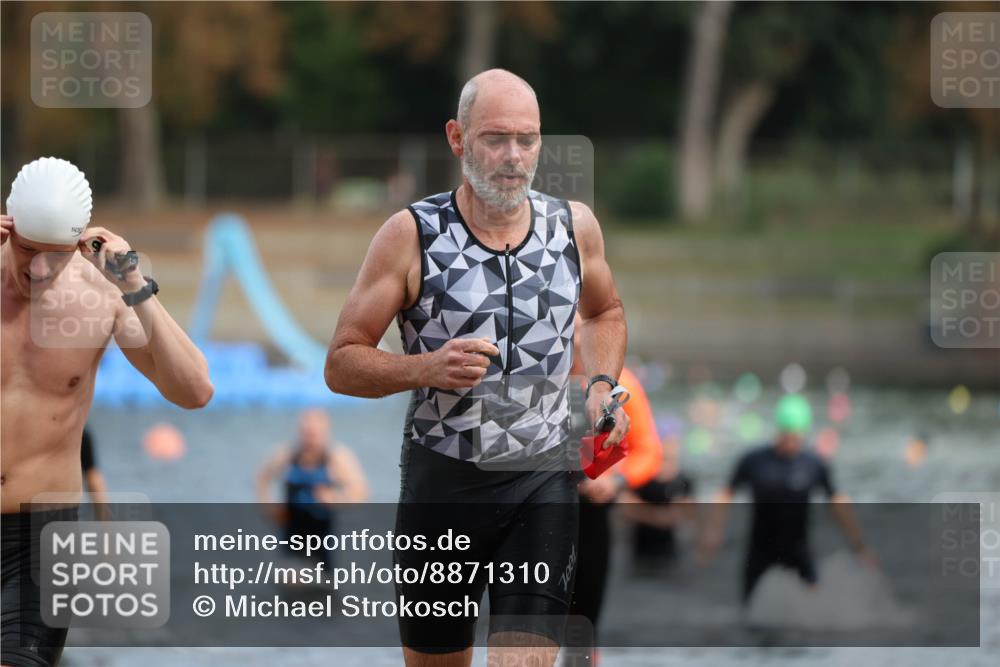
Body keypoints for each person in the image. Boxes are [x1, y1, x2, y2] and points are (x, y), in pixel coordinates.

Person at [324, 69, 629, 667]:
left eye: (527, 139)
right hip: (444, 487)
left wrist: (599, 385)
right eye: (495, 138)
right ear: (457, 138)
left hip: (542, 483)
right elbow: (341, 362)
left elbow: (605, 313)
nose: (514, 156)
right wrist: (425, 368)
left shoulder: (573, 228)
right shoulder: (412, 234)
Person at [1, 159, 213, 667]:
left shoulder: (102, 296)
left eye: (53, 257)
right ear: (9, 227)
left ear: (78, 244)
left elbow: (194, 390)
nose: (37, 270)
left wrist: (134, 284)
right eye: (27, 251)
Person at [698, 394, 877, 604]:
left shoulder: (813, 465)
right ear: (778, 430)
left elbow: (838, 503)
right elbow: (725, 493)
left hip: (798, 551)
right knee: (749, 611)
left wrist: (860, 546)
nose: (792, 441)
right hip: (760, 551)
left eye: (797, 436)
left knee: (814, 607)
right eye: (787, 434)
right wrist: (713, 532)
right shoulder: (754, 461)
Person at [256, 408, 369, 568]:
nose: (310, 439)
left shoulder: (336, 458)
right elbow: (261, 478)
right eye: (306, 433)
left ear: (325, 432)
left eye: (314, 433)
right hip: (291, 532)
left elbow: (360, 492)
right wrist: (269, 506)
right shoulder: (286, 455)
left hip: (323, 536)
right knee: (289, 575)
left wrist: (335, 499)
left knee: (322, 577)